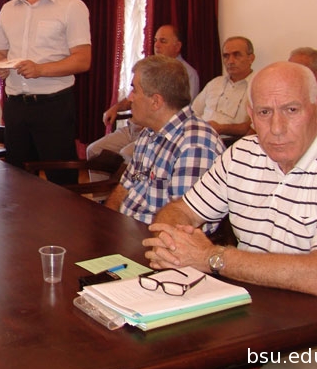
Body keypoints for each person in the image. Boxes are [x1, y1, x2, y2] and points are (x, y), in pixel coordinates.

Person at [143, 62, 317, 369]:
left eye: (291, 110)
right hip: (260, 319)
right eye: (265, 113)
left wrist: (211, 257)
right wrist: (175, 241)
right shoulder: (242, 154)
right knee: (166, 360)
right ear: (251, 115)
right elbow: (181, 210)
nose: (277, 127)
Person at [0, 0, 91, 168]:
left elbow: (83, 59)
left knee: (60, 179)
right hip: (16, 106)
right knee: (18, 178)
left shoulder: (71, 6)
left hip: (53, 106)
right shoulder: (8, 9)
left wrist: (40, 69)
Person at [103, 55, 223, 224]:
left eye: (134, 90)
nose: (130, 98)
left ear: (156, 101)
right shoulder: (148, 133)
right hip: (127, 227)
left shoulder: (195, 146)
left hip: (154, 235)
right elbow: (124, 187)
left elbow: (180, 224)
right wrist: (106, 223)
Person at [87, 24, 200, 161]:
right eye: (155, 40)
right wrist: (116, 108)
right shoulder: (149, 68)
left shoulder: (187, 74)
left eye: (163, 41)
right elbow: (133, 96)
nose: (157, 45)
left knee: (126, 155)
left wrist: (150, 123)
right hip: (133, 127)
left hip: (155, 129)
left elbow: (182, 110)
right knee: (94, 150)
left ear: (177, 46)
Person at [191, 36, 256, 140]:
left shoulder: (257, 86)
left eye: (236, 55)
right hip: (200, 137)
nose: (230, 61)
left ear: (251, 58)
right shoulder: (215, 83)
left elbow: (254, 125)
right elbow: (193, 112)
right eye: (226, 56)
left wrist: (222, 128)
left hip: (229, 142)